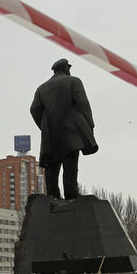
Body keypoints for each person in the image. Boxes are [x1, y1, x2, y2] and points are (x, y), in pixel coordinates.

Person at [30, 58, 98, 199]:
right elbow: (83, 104)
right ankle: (71, 194)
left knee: (52, 168)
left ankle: (53, 197)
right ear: (65, 68)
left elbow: (34, 109)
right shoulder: (74, 81)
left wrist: (44, 127)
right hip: (71, 133)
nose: (69, 69)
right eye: (68, 67)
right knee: (70, 166)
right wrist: (90, 124)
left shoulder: (41, 88)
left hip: (51, 136)